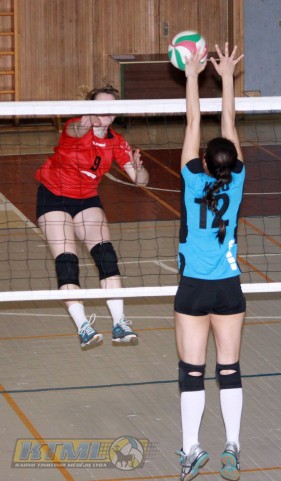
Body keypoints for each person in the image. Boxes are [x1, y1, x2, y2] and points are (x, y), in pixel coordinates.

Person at [174, 43, 245, 481]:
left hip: (194, 288)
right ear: (233, 164)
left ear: (202, 162)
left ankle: (191, 449)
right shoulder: (237, 180)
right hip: (228, 288)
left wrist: (192, 75)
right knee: (230, 369)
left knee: (192, 372)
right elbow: (228, 122)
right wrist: (227, 77)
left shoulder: (190, 177)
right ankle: (232, 446)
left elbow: (193, 121)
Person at [36, 85, 149, 350]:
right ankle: (83, 326)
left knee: (106, 255)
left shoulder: (117, 142)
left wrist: (139, 169)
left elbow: (141, 181)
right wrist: (86, 119)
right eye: (100, 106)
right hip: (53, 196)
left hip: (86, 199)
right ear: (90, 108)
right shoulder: (76, 127)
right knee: (67, 261)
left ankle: (120, 324)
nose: (105, 112)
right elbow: (76, 130)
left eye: (111, 107)